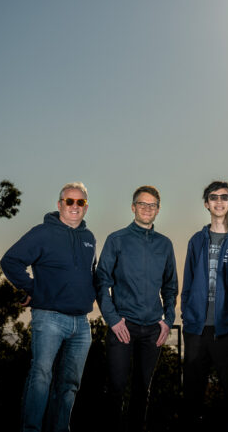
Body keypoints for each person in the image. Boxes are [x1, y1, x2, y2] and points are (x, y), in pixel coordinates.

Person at [1, 182, 96, 432]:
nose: (75, 206)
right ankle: (31, 429)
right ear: (59, 204)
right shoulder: (42, 232)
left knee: (70, 384)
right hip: (49, 319)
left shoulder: (89, 238)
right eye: (69, 201)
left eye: (80, 202)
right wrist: (33, 289)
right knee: (41, 376)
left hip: (82, 324)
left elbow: (89, 275)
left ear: (86, 206)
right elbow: (10, 261)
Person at [95, 185, 178, 432]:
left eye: (152, 205)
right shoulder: (116, 239)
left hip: (153, 329)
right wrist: (113, 320)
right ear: (133, 207)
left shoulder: (165, 244)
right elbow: (101, 282)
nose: (146, 209)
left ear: (158, 210)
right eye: (142, 204)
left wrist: (167, 320)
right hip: (123, 326)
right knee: (117, 388)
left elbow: (170, 287)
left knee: (143, 390)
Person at [181, 181, 228, 431]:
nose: (219, 202)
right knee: (192, 394)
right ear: (206, 203)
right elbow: (187, 284)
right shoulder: (196, 240)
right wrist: (188, 318)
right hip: (196, 330)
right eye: (214, 197)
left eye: (224, 197)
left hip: (226, 330)